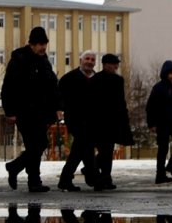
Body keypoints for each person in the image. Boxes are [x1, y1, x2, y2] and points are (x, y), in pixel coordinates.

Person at [1, 27, 63, 192]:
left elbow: (52, 85)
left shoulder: (44, 61)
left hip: (42, 112)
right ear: (32, 44)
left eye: (45, 44)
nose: (43, 48)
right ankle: (32, 179)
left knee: (38, 145)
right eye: (40, 44)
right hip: (24, 111)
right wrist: (9, 111)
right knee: (36, 144)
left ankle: (18, 169)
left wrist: (58, 106)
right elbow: (8, 86)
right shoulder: (19, 59)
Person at [56, 50, 98, 192]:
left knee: (82, 148)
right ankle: (89, 177)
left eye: (92, 59)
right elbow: (60, 96)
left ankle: (85, 177)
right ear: (81, 60)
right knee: (82, 145)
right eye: (87, 58)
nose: (89, 61)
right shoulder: (69, 78)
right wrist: (60, 109)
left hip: (92, 121)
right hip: (75, 119)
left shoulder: (98, 79)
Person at [92, 54, 134, 191]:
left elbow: (121, 102)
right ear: (105, 64)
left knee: (107, 151)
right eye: (113, 64)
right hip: (99, 121)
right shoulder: (96, 80)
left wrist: (123, 119)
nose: (116, 66)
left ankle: (103, 175)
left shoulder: (118, 80)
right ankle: (103, 176)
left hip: (112, 121)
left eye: (116, 64)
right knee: (105, 151)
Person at [146, 60, 172, 184]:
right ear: (165, 74)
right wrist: (151, 124)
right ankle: (160, 175)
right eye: (171, 73)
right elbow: (150, 107)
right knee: (163, 148)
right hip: (162, 122)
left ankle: (171, 164)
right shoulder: (158, 88)